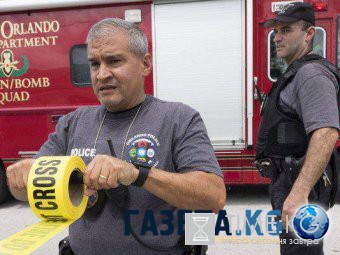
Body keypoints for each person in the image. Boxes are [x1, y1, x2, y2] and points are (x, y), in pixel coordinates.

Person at [6, 18, 226, 255]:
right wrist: (23, 176)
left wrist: (135, 173)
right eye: (94, 64)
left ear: (145, 64)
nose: (102, 74)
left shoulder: (178, 118)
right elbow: (21, 192)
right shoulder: (74, 123)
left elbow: (213, 196)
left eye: (114, 61)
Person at [255, 2, 339, 255]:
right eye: (276, 31)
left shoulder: (311, 74)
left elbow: (326, 132)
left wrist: (299, 193)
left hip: (301, 188)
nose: (277, 38)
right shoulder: (297, 71)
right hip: (291, 182)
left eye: (286, 30)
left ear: (309, 33)